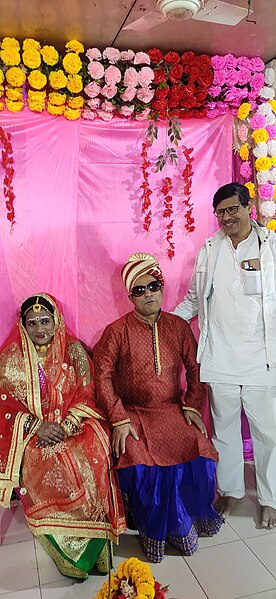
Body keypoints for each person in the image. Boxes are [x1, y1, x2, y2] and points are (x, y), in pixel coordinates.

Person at [93, 253, 222, 563]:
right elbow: (101, 374)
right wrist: (119, 419)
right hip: (133, 412)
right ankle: (154, 532)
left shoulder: (178, 326)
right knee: (138, 458)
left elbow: (195, 368)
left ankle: (183, 525)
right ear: (130, 296)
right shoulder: (117, 331)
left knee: (198, 446)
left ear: (162, 287)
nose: (148, 293)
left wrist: (191, 406)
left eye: (153, 285)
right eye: (139, 290)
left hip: (170, 409)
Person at [0, 293, 126, 579]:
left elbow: (88, 390)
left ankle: (95, 541)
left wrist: (69, 425)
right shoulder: (10, 359)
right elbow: (4, 404)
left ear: (56, 321)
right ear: (22, 326)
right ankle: (70, 549)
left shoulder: (74, 351)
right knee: (42, 459)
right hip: (34, 432)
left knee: (93, 451)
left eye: (46, 320)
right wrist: (34, 426)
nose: (40, 328)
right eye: (32, 323)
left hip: (75, 423)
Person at [173, 182, 276, 528]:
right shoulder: (209, 250)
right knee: (225, 431)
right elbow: (193, 300)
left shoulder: (270, 247)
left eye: (233, 209)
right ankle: (231, 491)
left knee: (268, 433)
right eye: (220, 212)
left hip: (263, 358)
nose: (227, 217)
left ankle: (270, 498)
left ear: (248, 207)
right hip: (219, 359)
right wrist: (164, 323)